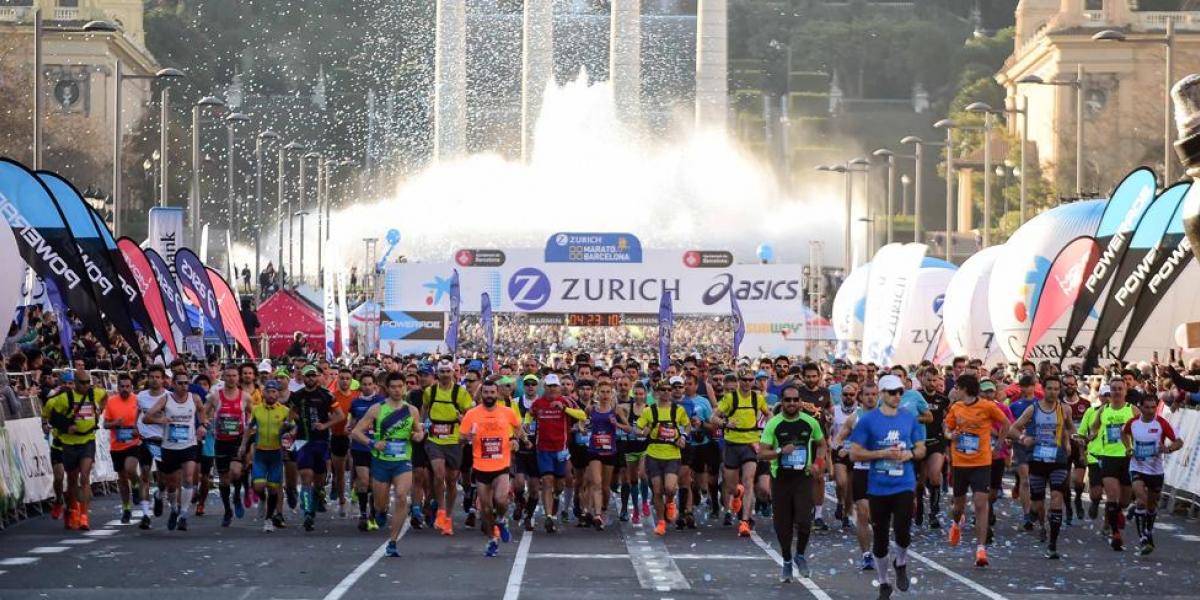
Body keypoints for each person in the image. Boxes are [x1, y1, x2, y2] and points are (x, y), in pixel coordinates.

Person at [849, 375, 926, 600]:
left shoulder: (909, 418)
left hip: (904, 483)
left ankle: (900, 562)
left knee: (902, 528)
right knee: (881, 538)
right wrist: (881, 453)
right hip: (878, 486)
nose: (897, 396)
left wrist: (910, 454)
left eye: (900, 392)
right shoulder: (868, 421)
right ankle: (884, 583)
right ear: (882, 394)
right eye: (892, 392)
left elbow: (921, 448)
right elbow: (854, 453)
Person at [350, 373, 425, 558]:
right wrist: (372, 443)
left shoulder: (411, 410)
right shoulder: (377, 409)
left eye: (400, 386)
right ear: (387, 388)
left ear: (405, 388)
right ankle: (380, 511)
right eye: (393, 387)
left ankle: (393, 541)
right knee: (380, 504)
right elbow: (356, 432)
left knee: (401, 496)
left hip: (402, 460)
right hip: (381, 461)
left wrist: (418, 436)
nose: (397, 390)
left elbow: (418, 431)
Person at [758, 384, 825, 582]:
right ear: (782, 402)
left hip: (803, 477)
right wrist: (780, 451)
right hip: (781, 479)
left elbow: (822, 444)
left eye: (796, 400)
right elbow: (762, 453)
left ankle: (800, 555)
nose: (792, 403)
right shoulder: (774, 424)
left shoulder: (810, 422)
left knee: (804, 520)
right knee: (783, 524)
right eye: (788, 400)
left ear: (801, 402)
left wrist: (818, 463)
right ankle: (787, 560)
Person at [943, 374, 1010, 566]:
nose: (955, 391)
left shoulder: (987, 406)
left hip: (981, 462)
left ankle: (981, 550)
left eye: (957, 387)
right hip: (960, 463)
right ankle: (956, 523)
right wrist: (951, 435)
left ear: (964, 388)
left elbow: (1005, 423)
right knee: (958, 507)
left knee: (981, 503)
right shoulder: (956, 407)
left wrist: (999, 445)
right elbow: (947, 429)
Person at [1008, 375, 1075, 559]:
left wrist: (1071, 440)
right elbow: (1013, 428)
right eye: (1050, 388)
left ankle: (1053, 544)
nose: (1053, 392)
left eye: (1056, 389)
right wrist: (1023, 438)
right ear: (1043, 390)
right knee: (1038, 503)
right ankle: (1040, 521)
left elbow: (1070, 429)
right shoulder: (1033, 409)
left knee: (1056, 496)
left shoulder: (1064, 409)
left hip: (1058, 459)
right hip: (1037, 459)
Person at [459, 379, 528, 556]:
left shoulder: (507, 411)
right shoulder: (472, 414)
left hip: (501, 464)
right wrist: (468, 437)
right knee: (486, 509)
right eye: (486, 392)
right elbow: (460, 438)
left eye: (492, 392)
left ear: (497, 394)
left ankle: (502, 519)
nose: (489, 396)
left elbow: (518, 428)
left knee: (501, 499)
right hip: (481, 466)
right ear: (481, 394)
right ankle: (492, 540)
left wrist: (517, 440)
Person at [712, 369, 773, 536]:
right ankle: (737, 494)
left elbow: (769, 414)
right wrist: (725, 423)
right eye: (744, 380)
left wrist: (767, 429)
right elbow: (713, 418)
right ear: (739, 381)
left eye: (750, 380)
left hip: (750, 445)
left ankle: (745, 521)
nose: (747, 383)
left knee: (748, 480)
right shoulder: (730, 398)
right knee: (732, 487)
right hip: (732, 444)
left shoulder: (757, 398)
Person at [145, 372, 208, 532]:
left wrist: (202, 425)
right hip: (169, 447)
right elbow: (146, 418)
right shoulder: (166, 399)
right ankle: (174, 508)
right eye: (180, 383)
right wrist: (160, 420)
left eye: (186, 383)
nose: (183, 386)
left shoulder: (194, 398)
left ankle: (184, 514)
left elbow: (202, 412)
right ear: (173, 384)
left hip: (189, 444)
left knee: (188, 478)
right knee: (171, 485)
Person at [43, 369, 105, 530]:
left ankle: (83, 515)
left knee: (84, 477)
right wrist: (62, 426)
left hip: (87, 441)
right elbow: (49, 415)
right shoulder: (59, 399)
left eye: (87, 382)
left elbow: (105, 396)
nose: (85, 386)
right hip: (65, 443)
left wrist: (98, 412)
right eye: (82, 383)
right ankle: (66, 506)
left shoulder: (94, 393)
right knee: (66, 479)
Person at [1121, 392, 1182, 555]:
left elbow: (1179, 441)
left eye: (1153, 407)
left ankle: (1148, 530)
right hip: (1137, 467)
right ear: (1140, 407)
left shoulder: (1161, 423)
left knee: (1152, 505)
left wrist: (1168, 449)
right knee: (1141, 500)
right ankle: (1143, 539)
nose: (1150, 411)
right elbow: (1123, 433)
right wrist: (1128, 448)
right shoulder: (1133, 423)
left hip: (1155, 470)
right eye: (1147, 407)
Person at [527, 373, 586, 533]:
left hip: (561, 450)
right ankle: (549, 516)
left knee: (560, 484)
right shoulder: (538, 403)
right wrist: (526, 423)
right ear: (544, 387)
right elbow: (529, 414)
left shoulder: (566, 401)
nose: (552, 389)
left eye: (554, 386)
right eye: (549, 386)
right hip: (543, 449)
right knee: (547, 481)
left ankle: (555, 497)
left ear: (559, 387)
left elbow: (583, 415)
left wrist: (564, 409)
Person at [289, 365, 345, 532]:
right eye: (308, 376)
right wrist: (298, 421)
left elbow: (340, 415)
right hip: (303, 441)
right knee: (306, 476)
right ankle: (308, 513)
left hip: (321, 441)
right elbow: (290, 413)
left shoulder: (326, 395)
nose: (311, 379)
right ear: (303, 377)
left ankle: (318, 496)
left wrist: (325, 425)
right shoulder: (297, 395)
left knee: (319, 481)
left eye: (313, 376)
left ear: (318, 377)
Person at [831, 379, 880, 571]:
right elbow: (837, 438)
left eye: (874, 394)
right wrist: (841, 448)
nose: (870, 398)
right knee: (863, 513)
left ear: (879, 396)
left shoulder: (887, 416)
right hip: (862, 470)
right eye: (867, 394)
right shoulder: (855, 417)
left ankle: (879, 548)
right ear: (861, 397)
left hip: (882, 472)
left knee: (878, 516)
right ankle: (867, 555)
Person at [421, 360, 474, 535]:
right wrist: (421, 425)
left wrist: (463, 421)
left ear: (453, 373)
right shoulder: (430, 391)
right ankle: (441, 510)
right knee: (438, 474)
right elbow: (424, 408)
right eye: (442, 371)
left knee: (451, 480)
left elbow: (470, 413)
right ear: (437, 373)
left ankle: (448, 517)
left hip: (454, 439)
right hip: (434, 438)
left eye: (447, 371)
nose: (445, 374)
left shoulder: (461, 392)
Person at [1087, 376, 1136, 551]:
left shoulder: (1132, 409)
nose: (1116, 392)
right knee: (1112, 497)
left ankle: (1116, 515)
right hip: (1108, 457)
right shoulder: (1104, 409)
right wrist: (1092, 435)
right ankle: (1115, 534)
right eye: (1113, 389)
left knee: (1124, 500)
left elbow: (1142, 426)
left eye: (1119, 389)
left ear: (1125, 391)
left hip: (1128, 458)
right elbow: (1094, 426)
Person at [637, 382, 691, 536]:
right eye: (663, 389)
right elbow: (638, 428)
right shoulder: (649, 411)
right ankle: (661, 522)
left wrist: (683, 437)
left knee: (669, 488)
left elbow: (687, 425)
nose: (666, 392)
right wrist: (643, 431)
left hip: (672, 454)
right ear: (657, 392)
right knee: (657, 490)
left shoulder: (678, 410)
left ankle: (671, 501)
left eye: (669, 389)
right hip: (654, 454)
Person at [240, 380, 292, 531]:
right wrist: (243, 445)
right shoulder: (257, 410)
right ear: (263, 393)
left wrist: (289, 434)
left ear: (278, 393)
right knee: (258, 486)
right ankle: (262, 499)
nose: (271, 395)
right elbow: (249, 428)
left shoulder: (285, 411)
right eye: (268, 392)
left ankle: (268, 519)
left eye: (274, 392)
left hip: (276, 454)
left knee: (274, 489)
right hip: (260, 453)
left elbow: (294, 429)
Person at [208, 366, 250, 527]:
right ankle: (227, 510)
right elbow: (203, 412)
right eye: (228, 375)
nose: (231, 378)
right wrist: (206, 423)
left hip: (237, 440)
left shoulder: (245, 396)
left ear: (238, 377)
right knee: (224, 481)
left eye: (234, 375)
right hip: (221, 441)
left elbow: (253, 414)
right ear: (223, 377)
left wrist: (249, 428)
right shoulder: (215, 396)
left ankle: (237, 496)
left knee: (236, 471)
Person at [583, 379, 628, 530]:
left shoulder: (616, 410)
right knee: (596, 482)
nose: (605, 395)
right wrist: (583, 428)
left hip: (610, 451)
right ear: (597, 393)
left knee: (605, 487)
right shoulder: (591, 409)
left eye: (608, 392)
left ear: (612, 394)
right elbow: (582, 422)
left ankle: (603, 510)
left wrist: (617, 424)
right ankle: (596, 515)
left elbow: (629, 428)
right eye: (602, 392)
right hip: (594, 450)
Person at [101, 372, 141, 524]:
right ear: (118, 387)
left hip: (133, 442)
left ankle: (136, 485)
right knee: (123, 479)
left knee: (130, 468)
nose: (125, 389)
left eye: (127, 386)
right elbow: (105, 424)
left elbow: (144, 419)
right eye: (122, 386)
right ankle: (126, 508)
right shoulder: (111, 402)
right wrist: (114, 423)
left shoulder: (137, 400)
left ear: (132, 387)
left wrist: (138, 429)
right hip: (117, 445)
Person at [348, 372, 384, 531]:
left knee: (373, 483)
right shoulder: (355, 403)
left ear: (375, 385)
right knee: (363, 480)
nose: (367, 387)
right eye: (364, 384)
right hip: (360, 446)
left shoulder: (382, 402)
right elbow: (352, 422)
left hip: (377, 447)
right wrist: (349, 427)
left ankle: (373, 514)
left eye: (370, 384)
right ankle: (363, 514)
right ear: (360, 386)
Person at [135, 365, 169, 529]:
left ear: (163, 379)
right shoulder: (141, 396)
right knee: (145, 475)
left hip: (162, 441)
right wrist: (135, 426)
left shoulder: (168, 397)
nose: (154, 380)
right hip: (145, 440)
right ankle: (145, 515)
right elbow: (137, 412)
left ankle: (159, 495)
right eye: (152, 377)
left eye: (157, 377)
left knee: (163, 479)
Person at [329, 368, 359, 519]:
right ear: (337, 380)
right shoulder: (332, 397)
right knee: (339, 472)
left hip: (354, 437)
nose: (345, 381)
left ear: (351, 380)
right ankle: (342, 500)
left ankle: (354, 494)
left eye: (347, 378)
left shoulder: (357, 396)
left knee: (356, 468)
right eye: (342, 378)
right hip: (338, 436)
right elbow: (328, 415)